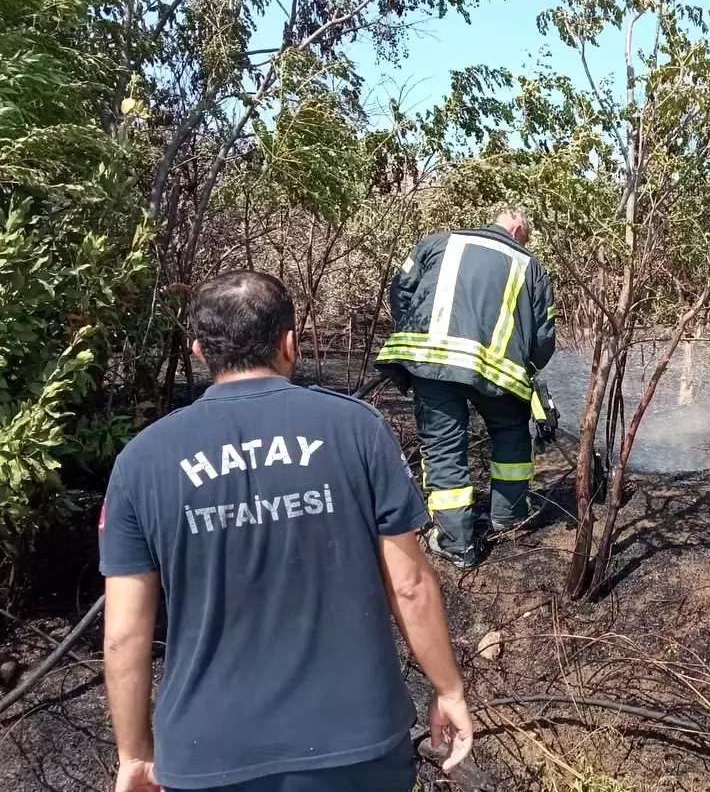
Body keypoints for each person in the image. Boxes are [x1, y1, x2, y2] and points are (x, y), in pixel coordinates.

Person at [100, 271, 472, 792]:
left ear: (200, 350)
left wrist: (134, 754)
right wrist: (448, 690)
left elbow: (124, 636)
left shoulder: (141, 462)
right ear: (289, 343)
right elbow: (409, 586)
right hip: (357, 742)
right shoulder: (357, 429)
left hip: (210, 753)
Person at [375, 205, 557, 569]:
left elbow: (401, 289)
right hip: (498, 375)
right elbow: (543, 337)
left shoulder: (438, 243)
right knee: (511, 437)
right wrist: (529, 368)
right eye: (528, 233)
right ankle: (509, 516)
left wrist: (416, 335)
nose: (527, 240)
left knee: (443, 448)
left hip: (434, 366)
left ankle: (456, 543)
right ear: (517, 224)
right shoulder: (530, 266)